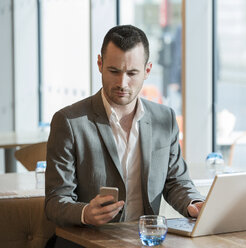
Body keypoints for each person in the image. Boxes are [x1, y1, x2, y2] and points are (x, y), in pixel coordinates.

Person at [45, 25, 204, 247]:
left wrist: (194, 203)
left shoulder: (164, 118)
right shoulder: (69, 122)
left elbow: (176, 181)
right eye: (114, 71)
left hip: (145, 241)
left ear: (147, 70)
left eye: (132, 73)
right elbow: (55, 202)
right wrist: (85, 213)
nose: (122, 83)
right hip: (86, 242)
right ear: (100, 64)